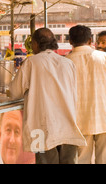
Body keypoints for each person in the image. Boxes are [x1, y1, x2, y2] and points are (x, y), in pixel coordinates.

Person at [9, 28, 86, 164]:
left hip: (42, 129)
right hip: (68, 127)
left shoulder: (32, 62)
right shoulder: (68, 63)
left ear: (36, 44)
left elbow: (14, 93)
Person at [66, 25, 106, 164]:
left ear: (70, 41)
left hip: (79, 120)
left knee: (81, 160)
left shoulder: (65, 62)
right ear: (90, 40)